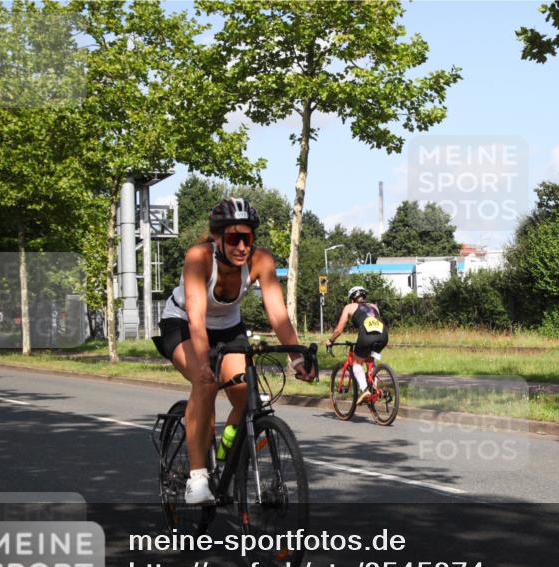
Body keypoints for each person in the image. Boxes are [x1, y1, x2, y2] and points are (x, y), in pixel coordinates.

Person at [153, 198, 315, 504]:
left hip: (228, 327)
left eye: (247, 238)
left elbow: (278, 314)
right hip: (183, 323)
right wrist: (204, 363)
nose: (241, 247)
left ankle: (225, 453)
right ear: (217, 238)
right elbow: (197, 318)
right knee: (206, 383)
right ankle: (197, 478)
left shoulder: (261, 260)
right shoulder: (199, 257)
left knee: (246, 395)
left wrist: (297, 358)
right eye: (233, 239)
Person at [326, 285, 388, 404]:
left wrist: (331, 340)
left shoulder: (349, 307)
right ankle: (374, 388)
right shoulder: (374, 306)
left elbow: (339, 330)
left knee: (356, 363)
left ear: (352, 299)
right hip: (383, 337)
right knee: (370, 360)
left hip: (366, 338)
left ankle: (365, 390)